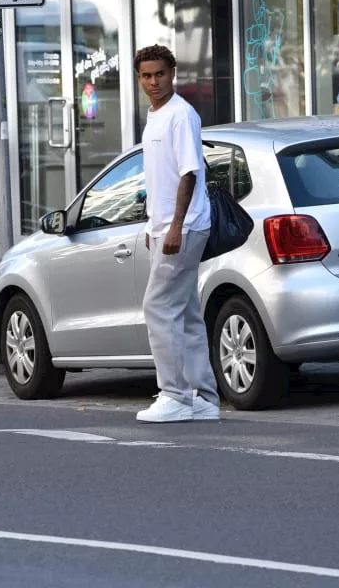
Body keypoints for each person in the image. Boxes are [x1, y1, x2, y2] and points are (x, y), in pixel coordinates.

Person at [133, 45, 219, 423]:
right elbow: (160, 177)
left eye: (160, 74)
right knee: (184, 313)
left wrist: (175, 226)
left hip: (184, 227)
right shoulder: (155, 116)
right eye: (146, 76)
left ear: (173, 73)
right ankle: (202, 397)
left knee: (158, 306)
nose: (154, 82)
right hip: (167, 227)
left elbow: (189, 173)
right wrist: (156, 224)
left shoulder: (181, 115)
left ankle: (175, 395)